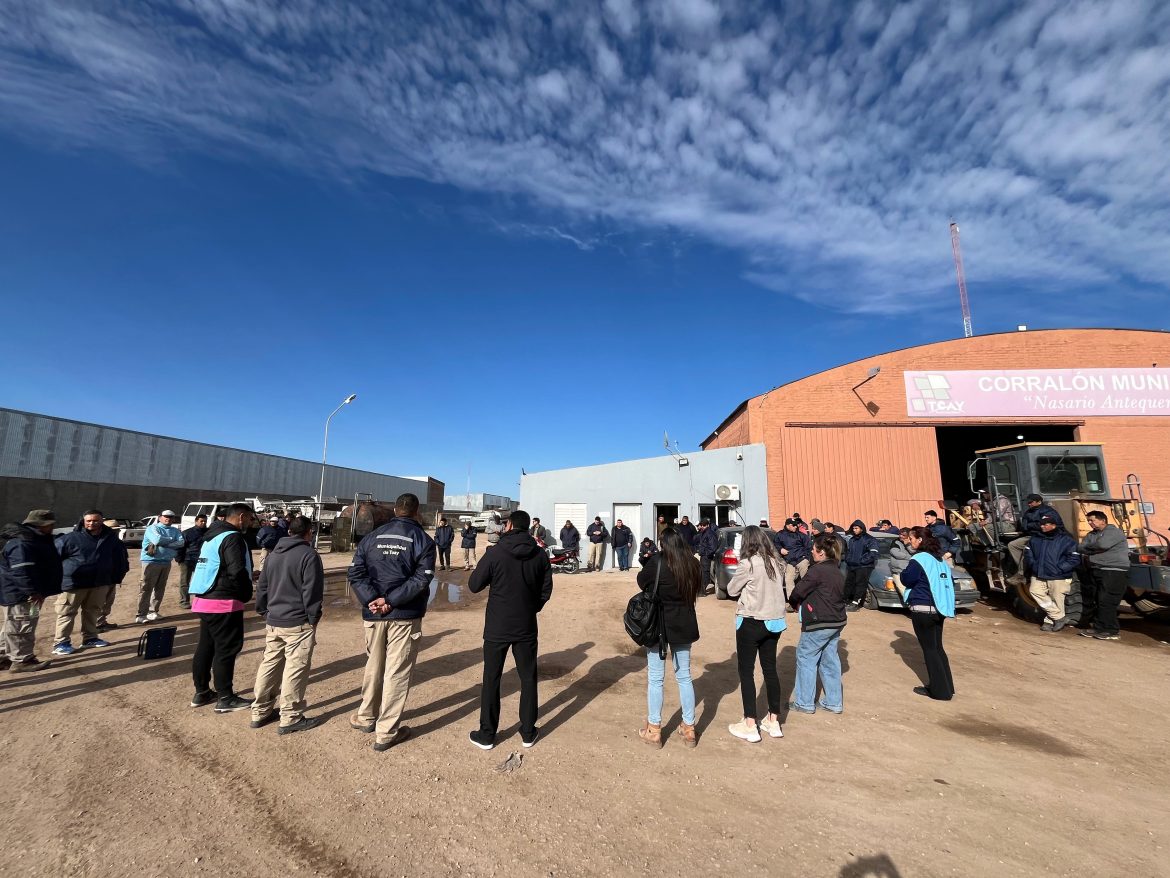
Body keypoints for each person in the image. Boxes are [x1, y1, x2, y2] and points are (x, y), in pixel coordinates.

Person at [347, 493, 435, 752]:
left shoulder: (372, 537)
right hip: (403, 616)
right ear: (416, 511)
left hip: (375, 614)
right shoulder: (422, 540)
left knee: (373, 665)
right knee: (397, 671)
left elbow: (355, 571)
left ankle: (366, 717)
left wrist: (373, 599)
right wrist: (390, 601)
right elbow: (422, 578)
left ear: (395, 510)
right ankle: (385, 732)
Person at [467, 510, 553, 750]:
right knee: (528, 678)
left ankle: (487, 734)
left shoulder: (496, 553)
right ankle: (527, 732)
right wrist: (531, 607)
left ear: (509, 526)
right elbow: (546, 589)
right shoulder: (539, 555)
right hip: (526, 625)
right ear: (527, 528)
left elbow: (474, 585)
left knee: (491, 678)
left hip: (497, 626)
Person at [250, 515, 324, 735]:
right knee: (295, 668)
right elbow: (312, 591)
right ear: (308, 533)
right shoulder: (309, 555)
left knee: (270, 663)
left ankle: (260, 711)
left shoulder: (273, 555)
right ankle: (290, 716)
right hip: (297, 622)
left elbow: (262, 586)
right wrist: (313, 618)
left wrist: (264, 610)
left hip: (274, 619)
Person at [636, 527, 700, 749]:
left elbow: (641, 580)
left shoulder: (658, 562)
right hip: (684, 624)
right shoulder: (692, 563)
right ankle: (689, 728)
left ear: (663, 544)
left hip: (660, 626)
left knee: (656, 678)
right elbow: (698, 588)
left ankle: (654, 729)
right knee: (684, 677)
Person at [188, 502, 256, 712]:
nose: (252, 523)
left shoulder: (211, 535)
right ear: (242, 516)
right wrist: (246, 592)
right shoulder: (232, 537)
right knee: (226, 649)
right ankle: (225, 697)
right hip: (223, 601)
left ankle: (202, 691)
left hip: (204, 598)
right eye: (251, 519)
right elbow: (237, 570)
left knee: (206, 647)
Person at [725, 526, 787, 742]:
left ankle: (750, 723)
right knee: (770, 671)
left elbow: (731, 590)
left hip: (752, 621)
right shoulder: (778, 562)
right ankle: (773, 720)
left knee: (746, 672)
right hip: (775, 622)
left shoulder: (748, 563)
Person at [51, 509, 128, 655]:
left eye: (95, 520)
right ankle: (61, 642)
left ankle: (90, 638)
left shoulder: (110, 538)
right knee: (66, 612)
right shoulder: (70, 538)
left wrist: (117, 576)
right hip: (74, 584)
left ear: (102, 521)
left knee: (92, 611)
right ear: (84, 521)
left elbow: (120, 558)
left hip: (99, 583)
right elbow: (54, 559)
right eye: (89, 521)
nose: (92, 523)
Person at [787, 532, 848, 714]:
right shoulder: (837, 569)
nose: (811, 552)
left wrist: (795, 603)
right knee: (830, 661)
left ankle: (804, 703)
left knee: (806, 659)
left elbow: (798, 591)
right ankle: (833, 702)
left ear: (821, 552)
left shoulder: (817, 570)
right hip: (836, 620)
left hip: (818, 621)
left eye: (813, 549)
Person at [0, 510, 64, 673]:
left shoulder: (33, 540)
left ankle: (4, 656)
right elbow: (21, 571)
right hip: (23, 595)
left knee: (13, 624)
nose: (52, 527)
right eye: (50, 525)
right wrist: (33, 592)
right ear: (41, 525)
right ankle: (22, 660)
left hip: (25, 593)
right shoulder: (23, 543)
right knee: (22, 625)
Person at [896, 527, 955, 700]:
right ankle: (947, 686)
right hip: (939, 608)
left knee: (930, 650)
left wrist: (903, 574)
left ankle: (939, 691)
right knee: (937, 648)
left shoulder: (919, 559)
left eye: (912, 538)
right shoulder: (940, 559)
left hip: (923, 608)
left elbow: (907, 578)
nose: (910, 541)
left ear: (920, 540)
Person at [1078, 511, 1130, 642]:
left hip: (1114, 571)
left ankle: (1112, 631)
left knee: (1107, 601)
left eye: (1092, 520)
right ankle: (1099, 628)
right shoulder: (1092, 534)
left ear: (1102, 520)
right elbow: (1081, 547)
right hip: (1097, 569)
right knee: (1098, 599)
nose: (1090, 523)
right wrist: (1093, 548)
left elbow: (1103, 545)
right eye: (1088, 520)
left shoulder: (1113, 532)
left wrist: (1091, 548)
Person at [1024, 515, 1079, 633]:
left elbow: (1074, 558)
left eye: (1045, 524)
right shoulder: (1035, 539)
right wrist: (1034, 565)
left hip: (1058, 575)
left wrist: (1060, 568)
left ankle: (1049, 622)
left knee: (1057, 598)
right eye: (1041, 524)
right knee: (1035, 591)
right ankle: (1059, 617)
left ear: (1053, 525)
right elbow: (1028, 553)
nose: (1042, 526)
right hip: (1039, 573)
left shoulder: (1066, 540)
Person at [137, 509, 184, 623]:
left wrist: (165, 542)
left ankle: (153, 612)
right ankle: (141, 615)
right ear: (160, 517)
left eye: (171, 517)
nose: (168, 518)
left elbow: (181, 543)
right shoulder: (152, 528)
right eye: (165, 516)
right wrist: (172, 541)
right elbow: (157, 540)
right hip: (151, 561)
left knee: (160, 588)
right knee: (146, 588)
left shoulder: (175, 530)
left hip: (166, 562)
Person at [1008, 495, 1063, 584]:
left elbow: (1046, 525)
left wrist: (1031, 525)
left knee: (1028, 548)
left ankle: (1022, 573)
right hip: (1033, 535)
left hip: (1047, 536)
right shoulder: (1029, 512)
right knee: (1013, 545)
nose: (1029, 504)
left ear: (1039, 502)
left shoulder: (1048, 511)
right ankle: (1025, 567)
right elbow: (1024, 526)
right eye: (1028, 502)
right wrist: (1032, 526)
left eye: (1031, 502)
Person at [843, 520, 879, 611]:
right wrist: (848, 559)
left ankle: (855, 603)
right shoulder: (852, 540)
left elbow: (873, 553)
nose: (854, 530)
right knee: (848, 584)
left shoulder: (870, 539)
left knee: (860, 584)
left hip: (864, 567)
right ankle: (844, 601)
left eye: (856, 528)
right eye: (853, 528)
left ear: (862, 529)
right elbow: (848, 551)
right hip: (852, 565)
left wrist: (861, 561)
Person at [176, 513, 209, 609]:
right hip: (187, 559)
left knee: (202, 580)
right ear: (196, 521)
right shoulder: (187, 533)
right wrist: (179, 559)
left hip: (202, 559)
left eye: (205, 521)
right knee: (185, 581)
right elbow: (180, 547)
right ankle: (184, 601)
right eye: (201, 521)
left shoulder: (208, 533)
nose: (203, 523)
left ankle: (200, 600)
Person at [772, 518, 811, 594]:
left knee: (806, 581)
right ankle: (792, 601)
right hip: (790, 562)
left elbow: (809, 547)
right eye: (793, 525)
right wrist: (780, 549)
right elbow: (775, 545)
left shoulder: (801, 535)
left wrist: (806, 558)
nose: (795, 527)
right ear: (787, 525)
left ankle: (808, 599)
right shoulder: (780, 535)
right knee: (788, 580)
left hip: (802, 560)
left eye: (796, 525)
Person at [695, 518, 720, 595]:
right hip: (703, 555)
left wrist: (706, 554)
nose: (702, 526)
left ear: (707, 525)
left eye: (704, 525)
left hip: (707, 557)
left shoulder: (710, 533)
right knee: (702, 573)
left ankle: (702, 591)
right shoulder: (703, 532)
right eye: (701, 525)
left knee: (705, 573)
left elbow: (713, 547)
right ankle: (701, 590)